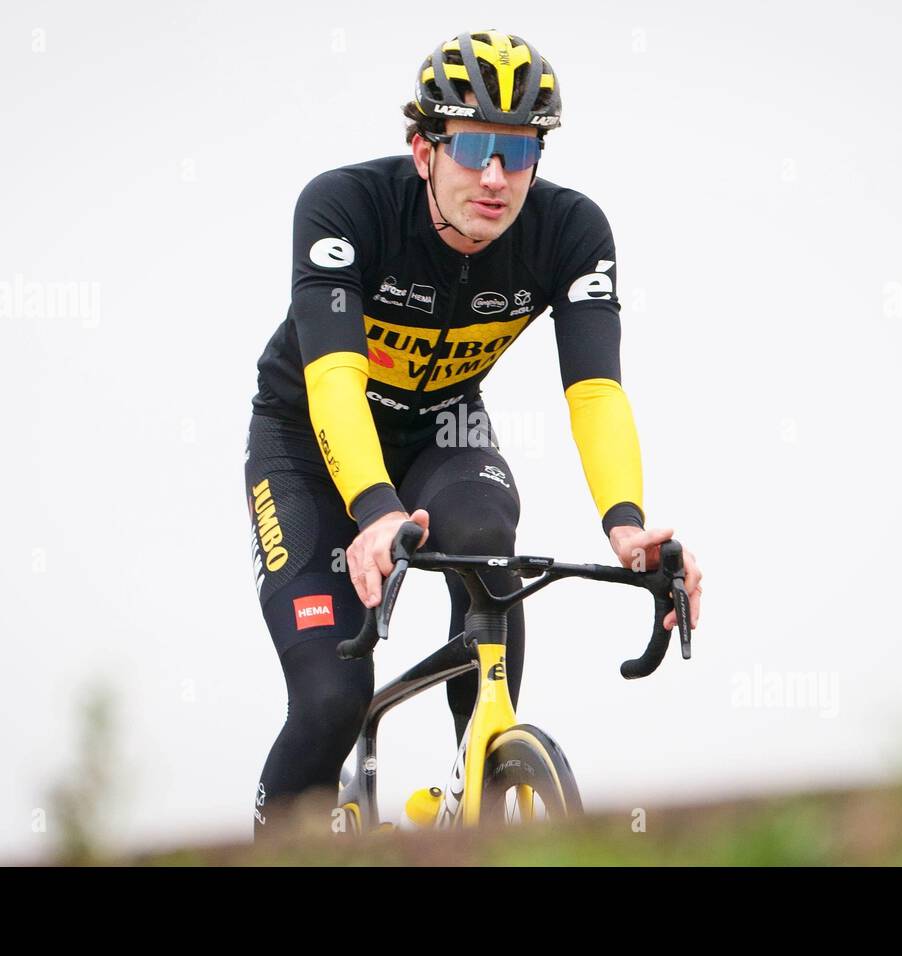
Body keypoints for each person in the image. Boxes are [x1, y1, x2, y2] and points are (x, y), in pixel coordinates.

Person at [244, 29, 702, 837]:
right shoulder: (344, 206)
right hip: (309, 446)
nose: (496, 177)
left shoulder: (570, 232)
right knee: (329, 701)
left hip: (442, 427)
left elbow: (596, 392)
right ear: (423, 147)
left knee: (488, 538)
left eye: (519, 152)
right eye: (476, 146)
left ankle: (481, 791)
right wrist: (375, 510)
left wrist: (628, 527)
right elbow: (335, 381)